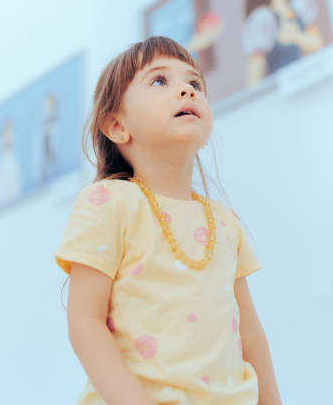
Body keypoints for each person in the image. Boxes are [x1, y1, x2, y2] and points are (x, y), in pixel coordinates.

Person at [54, 36, 282, 405]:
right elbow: (85, 323)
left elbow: (251, 333)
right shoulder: (109, 202)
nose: (186, 91)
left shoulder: (225, 222)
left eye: (194, 84)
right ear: (116, 126)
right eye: (160, 81)